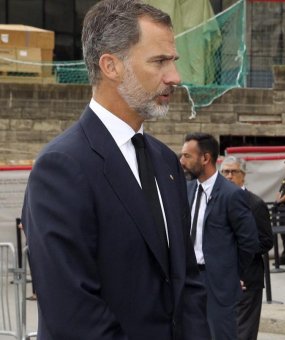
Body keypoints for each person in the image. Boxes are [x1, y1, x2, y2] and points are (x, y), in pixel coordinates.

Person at [20, 1, 210, 339]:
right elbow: (72, 312)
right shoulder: (61, 168)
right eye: (160, 61)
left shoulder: (167, 162)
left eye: (173, 61)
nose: (175, 77)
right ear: (111, 66)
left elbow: (188, 282)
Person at [180, 133, 259, 340]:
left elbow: (249, 241)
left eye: (187, 156)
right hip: (189, 279)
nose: (182, 162)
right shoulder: (186, 190)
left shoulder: (231, 194)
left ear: (205, 158)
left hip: (218, 284)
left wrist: (231, 273)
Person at [220, 156, 274, 340]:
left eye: (233, 172)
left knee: (244, 332)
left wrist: (239, 249)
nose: (228, 176)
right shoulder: (215, 200)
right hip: (220, 279)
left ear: (243, 175)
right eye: (225, 172)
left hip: (248, 279)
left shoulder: (255, 204)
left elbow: (266, 240)